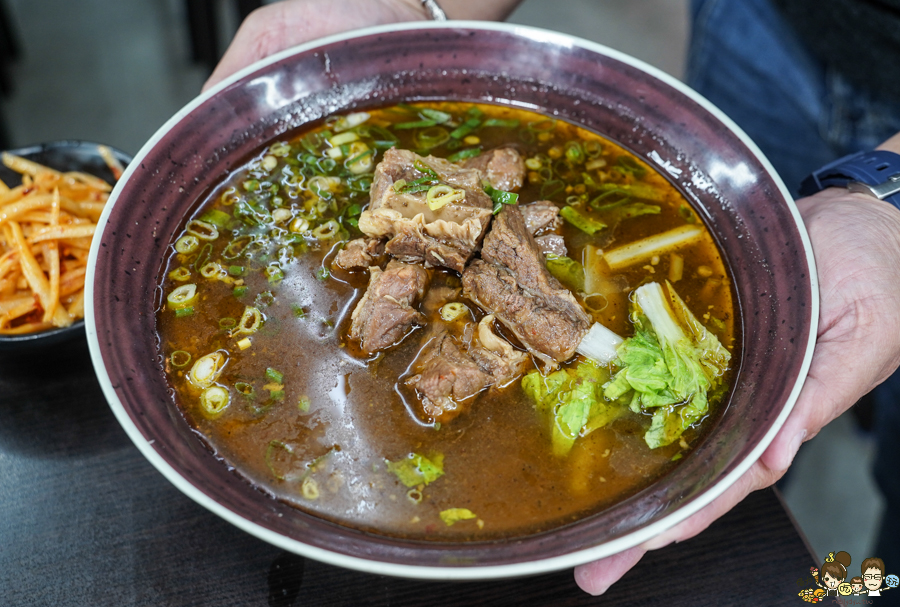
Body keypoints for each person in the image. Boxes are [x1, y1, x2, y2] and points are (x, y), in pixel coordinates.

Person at [202, 0, 900, 597]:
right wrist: (411, 10)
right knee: (763, 413)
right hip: (770, 23)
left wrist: (889, 203)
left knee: (789, 412)